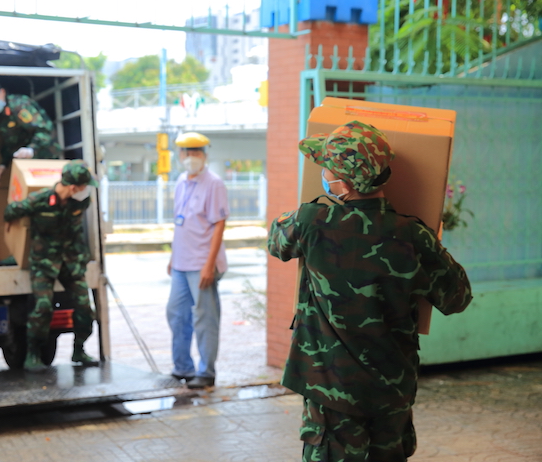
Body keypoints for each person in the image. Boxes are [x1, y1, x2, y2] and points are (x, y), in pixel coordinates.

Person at [267, 120, 472, 462]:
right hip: (391, 393)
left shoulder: (311, 222)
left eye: (327, 169)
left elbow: (276, 241)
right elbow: (458, 298)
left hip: (330, 393)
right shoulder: (412, 236)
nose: (324, 173)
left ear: (342, 183)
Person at [2, 160, 99, 372]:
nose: (87, 190)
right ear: (74, 187)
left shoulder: (80, 202)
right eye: (84, 186)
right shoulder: (40, 200)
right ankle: (33, 354)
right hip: (44, 263)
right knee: (43, 307)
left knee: (85, 308)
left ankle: (79, 349)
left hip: (70, 263)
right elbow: (10, 212)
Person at [166, 132, 229, 390]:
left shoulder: (214, 184)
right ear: (180, 155)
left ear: (205, 154)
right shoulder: (181, 181)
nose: (191, 157)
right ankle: (182, 367)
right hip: (181, 262)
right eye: (187, 152)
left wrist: (209, 264)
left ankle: (206, 371)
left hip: (202, 263)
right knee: (176, 313)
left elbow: (219, 225)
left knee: (205, 317)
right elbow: (181, 223)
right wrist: (172, 257)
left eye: (196, 152)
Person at [0, 78, 62, 186]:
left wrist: (32, 149)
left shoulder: (19, 105)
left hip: (45, 157)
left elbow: (44, 130)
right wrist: (3, 165)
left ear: (2, 92)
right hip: (25, 163)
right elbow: (9, 141)